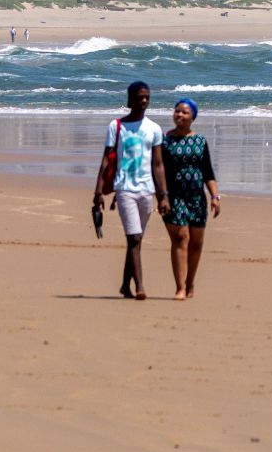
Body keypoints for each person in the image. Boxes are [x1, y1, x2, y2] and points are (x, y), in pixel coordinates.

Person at [92, 81, 165, 300]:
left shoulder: (154, 129)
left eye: (147, 97)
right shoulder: (116, 127)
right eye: (140, 97)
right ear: (130, 100)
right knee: (133, 238)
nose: (144, 101)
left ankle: (125, 285)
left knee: (137, 239)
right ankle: (140, 286)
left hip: (147, 191)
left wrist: (163, 196)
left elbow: (158, 165)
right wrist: (98, 193)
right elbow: (106, 160)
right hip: (124, 190)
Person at [159, 99, 221, 300]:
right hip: (174, 197)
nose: (179, 115)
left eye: (184, 112)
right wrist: (161, 196)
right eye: (177, 111)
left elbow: (208, 172)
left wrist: (215, 196)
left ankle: (190, 282)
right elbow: (159, 170)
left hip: (197, 198)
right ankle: (180, 287)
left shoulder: (200, 141)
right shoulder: (165, 141)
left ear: (192, 117)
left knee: (196, 243)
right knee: (180, 238)